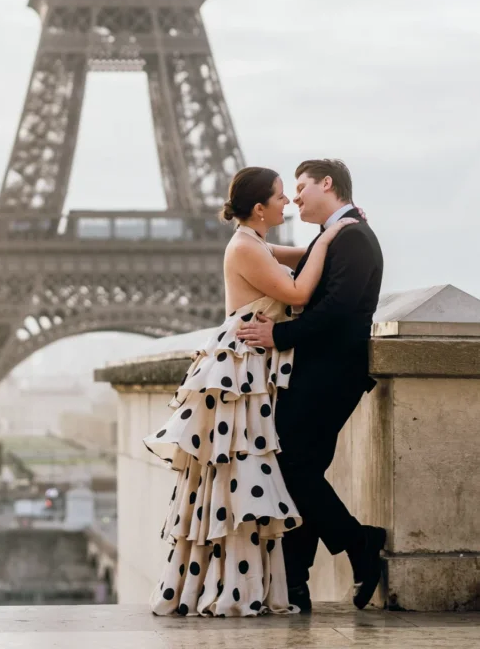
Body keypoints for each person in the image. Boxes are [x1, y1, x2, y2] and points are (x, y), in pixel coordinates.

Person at [143, 166, 354, 617]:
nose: (288, 202)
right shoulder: (244, 246)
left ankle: (234, 580)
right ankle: (234, 585)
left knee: (239, 476)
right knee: (238, 473)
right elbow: (297, 293)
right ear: (259, 208)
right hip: (238, 374)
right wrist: (331, 239)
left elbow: (302, 256)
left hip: (247, 369)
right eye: (280, 196)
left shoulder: (254, 242)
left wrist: (332, 234)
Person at [237, 159, 385, 612]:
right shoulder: (338, 234)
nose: (296, 196)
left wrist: (279, 335)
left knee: (290, 466)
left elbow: (337, 309)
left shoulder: (353, 237)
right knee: (301, 471)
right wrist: (248, 240)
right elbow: (305, 268)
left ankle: (359, 543)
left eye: (301, 186)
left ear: (327, 184)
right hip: (321, 370)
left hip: (331, 373)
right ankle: (297, 582)